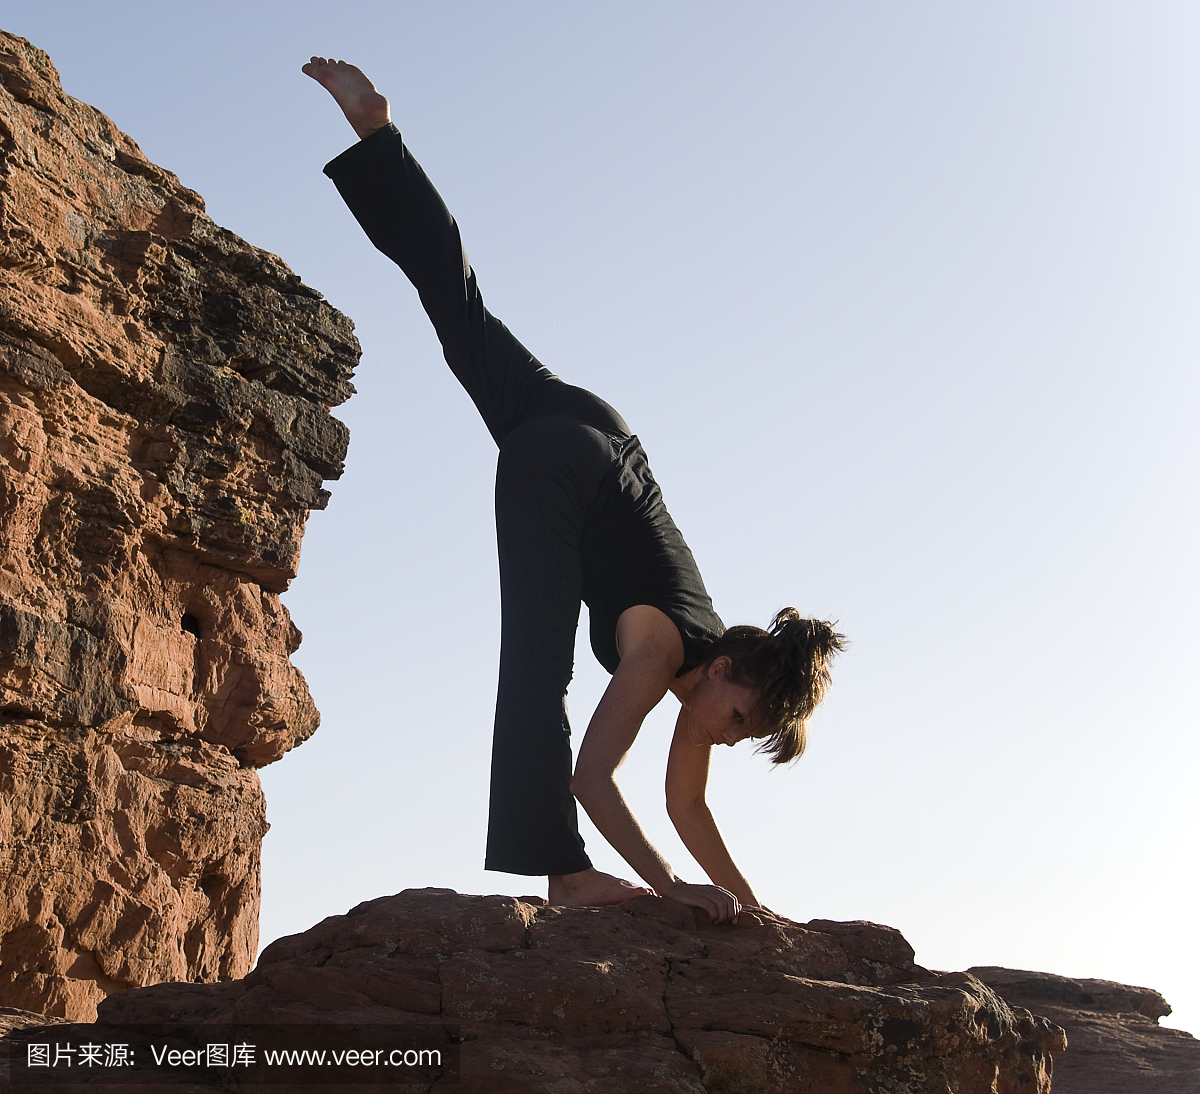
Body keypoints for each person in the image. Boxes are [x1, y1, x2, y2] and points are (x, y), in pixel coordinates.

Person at [303, 58, 844, 924]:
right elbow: (591, 777)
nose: (726, 735)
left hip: (589, 426)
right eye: (739, 718)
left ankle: (378, 135)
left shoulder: (695, 663)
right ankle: (562, 873)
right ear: (730, 671)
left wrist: (751, 910)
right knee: (535, 678)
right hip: (569, 470)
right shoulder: (665, 653)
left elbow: (687, 811)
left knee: (460, 305)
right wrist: (671, 893)